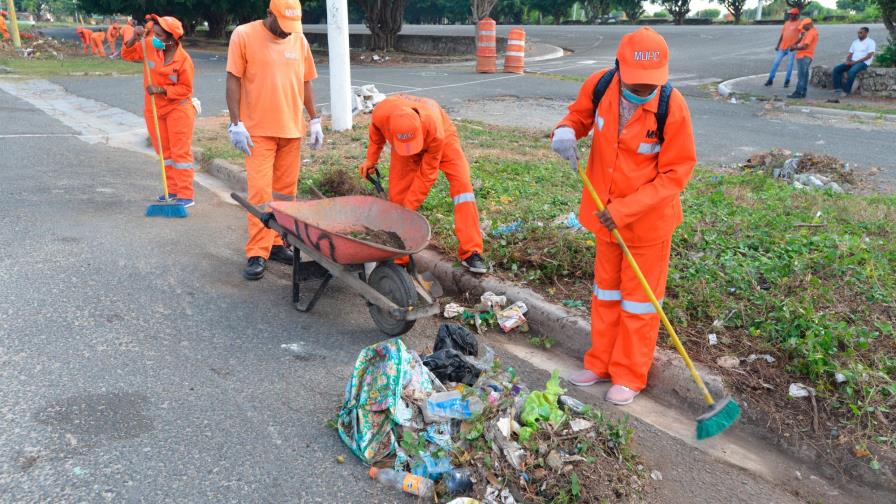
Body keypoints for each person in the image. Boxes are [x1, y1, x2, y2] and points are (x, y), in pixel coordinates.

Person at [550, 27, 696, 406]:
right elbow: (578, 116)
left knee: (639, 304)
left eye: (651, 84)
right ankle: (600, 363)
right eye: (636, 83)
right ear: (618, 68)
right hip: (605, 220)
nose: (644, 90)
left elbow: (675, 174)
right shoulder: (600, 86)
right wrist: (565, 130)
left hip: (647, 226)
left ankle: (629, 375)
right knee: (606, 295)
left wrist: (626, 210)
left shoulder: (671, 106)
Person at [226, 0, 323, 280]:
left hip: (291, 131)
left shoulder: (299, 39)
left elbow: (305, 81)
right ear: (269, 14)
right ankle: (258, 251)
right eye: (283, 25)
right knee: (260, 194)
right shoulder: (244, 35)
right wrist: (236, 123)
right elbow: (233, 79)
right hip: (257, 132)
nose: (287, 31)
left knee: (285, 195)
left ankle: (279, 242)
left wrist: (314, 119)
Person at [359, 95, 488, 274]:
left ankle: (471, 252)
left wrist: (408, 209)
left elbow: (427, 176)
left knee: (462, 187)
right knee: (398, 198)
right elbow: (376, 134)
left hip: (442, 140)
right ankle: (399, 259)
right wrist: (371, 160)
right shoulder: (382, 112)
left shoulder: (435, 131)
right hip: (402, 146)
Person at [121, 15, 197, 207]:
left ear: (172, 38)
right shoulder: (149, 46)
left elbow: (186, 89)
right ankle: (172, 191)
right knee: (164, 152)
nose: (154, 38)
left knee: (180, 153)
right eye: (154, 33)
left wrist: (162, 90)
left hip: (178, 109)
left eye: (159, 35)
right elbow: (127, 54)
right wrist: (134, 38)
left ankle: (185, 194)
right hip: (154, 110)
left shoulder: (183, 60)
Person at [830, 26, 876, 100]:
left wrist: (855, 62)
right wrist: (848, 61)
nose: (859, 34)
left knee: (851, 72)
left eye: (861, 33)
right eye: (858, 33)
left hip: (863, 63)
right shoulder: (855, 42)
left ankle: (846, 91)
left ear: (866, 33)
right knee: (836, 69)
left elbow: (869, 56)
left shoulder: (871, 42)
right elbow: (850, 54)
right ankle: (838, 88)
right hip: (852, 61)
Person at [764, 8, 802, 88]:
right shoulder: (786, 23)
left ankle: (787, 81)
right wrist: (778, 45)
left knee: (790, 65)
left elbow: (802, 36)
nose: (790, 15)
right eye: (790, 14)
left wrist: (795, 45)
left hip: (791, 48)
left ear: (796, 15)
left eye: (792, 14)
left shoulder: (799, 23)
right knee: (775, 63)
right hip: (782, 47)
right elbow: (782, 34)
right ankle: (770, 80)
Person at [788, 19, 819, 99]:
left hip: (804, 56)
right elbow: (802, 42)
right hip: (805, 56)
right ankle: (803, 92)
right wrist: (801, 37)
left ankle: (798, 92)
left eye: (804, 26)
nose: (803, 28)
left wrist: (795, 48)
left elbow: (805, 46)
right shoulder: (810, 32)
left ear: (809, 24)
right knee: (804, 75)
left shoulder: (811, 33)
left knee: (801, 75)